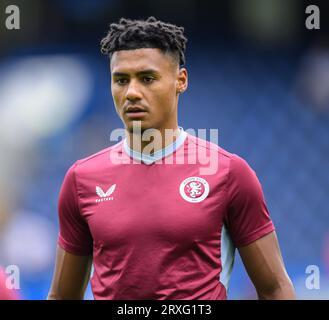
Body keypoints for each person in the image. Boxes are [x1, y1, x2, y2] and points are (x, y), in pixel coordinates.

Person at [48, 17, 295, 300]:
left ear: (181, 81)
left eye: (147, 78)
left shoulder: (229, 173)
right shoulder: (81, 179)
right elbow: (61, 296)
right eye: (121, 80)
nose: (131, 93)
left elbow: (275, 288)